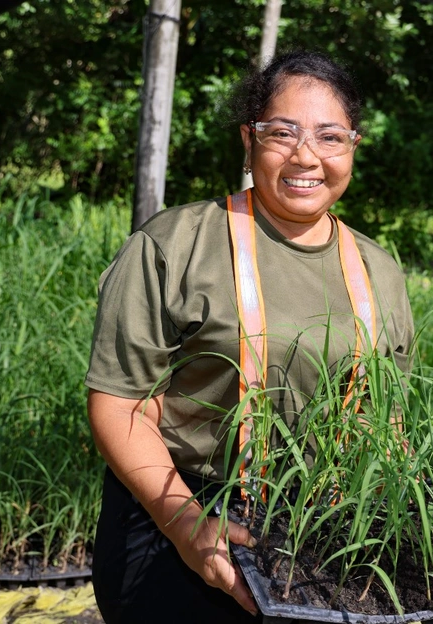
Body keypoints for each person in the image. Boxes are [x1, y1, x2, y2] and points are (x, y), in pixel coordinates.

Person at [85, 50, 415, 624]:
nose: (306, 155)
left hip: (322, 525)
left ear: (353, 146)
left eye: (329, 136)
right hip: (178, 509)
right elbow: (121, 404)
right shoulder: (176, 243)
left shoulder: (378, 269)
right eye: (281, 132)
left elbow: (385, 419)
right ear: (248, 139)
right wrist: (189, 529)